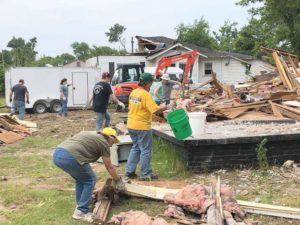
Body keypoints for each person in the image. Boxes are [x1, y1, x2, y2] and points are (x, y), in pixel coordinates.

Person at [52, 127, 125, 223]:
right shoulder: (103, 143)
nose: (112, 145)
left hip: (57, 154)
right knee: (90, 180)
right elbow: (109, 166)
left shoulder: (91, 134)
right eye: (113, 142)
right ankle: (81, 212)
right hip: (70, 157)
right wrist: (117, 180)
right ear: (111, 137)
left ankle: (80, 205)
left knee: (81, 179)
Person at [125, 73, 168, 181]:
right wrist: (165, 107)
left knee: (136, 147)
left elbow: (136, 108)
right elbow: (155, 110)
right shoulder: (145, 94)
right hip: (142, 126)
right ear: (147, 83)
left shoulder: (134, 92)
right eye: (151, 84)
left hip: (131, 125)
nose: (151, 86)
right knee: (145, 150)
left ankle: (129, 171)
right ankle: (145, 174)